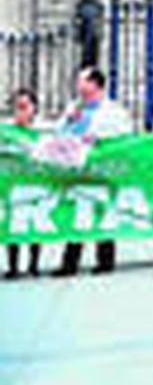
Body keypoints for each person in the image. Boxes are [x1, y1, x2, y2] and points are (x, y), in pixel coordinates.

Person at [53, 69, 133, 277]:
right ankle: (70, 262)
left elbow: (124, 136)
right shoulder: (74, 108)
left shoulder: (114, 111)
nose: (78, 85)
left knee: (103, 211)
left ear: (95, 85)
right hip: (76, 168)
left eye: (82, 80)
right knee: (76, 212)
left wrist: (98, 137)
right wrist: (68, 121)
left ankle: (105, 260)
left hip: (101, 169)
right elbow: (58, 133)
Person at [4, 87, 42, 279]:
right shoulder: (6, 133)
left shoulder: (42, 133)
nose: (20, 112)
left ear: (34, 109)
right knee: (13, 222)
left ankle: (33, 264)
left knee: (35, 222)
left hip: (36, 185)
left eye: (24, 107)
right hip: (13, 186)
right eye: (17, 107)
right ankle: (13, 266)